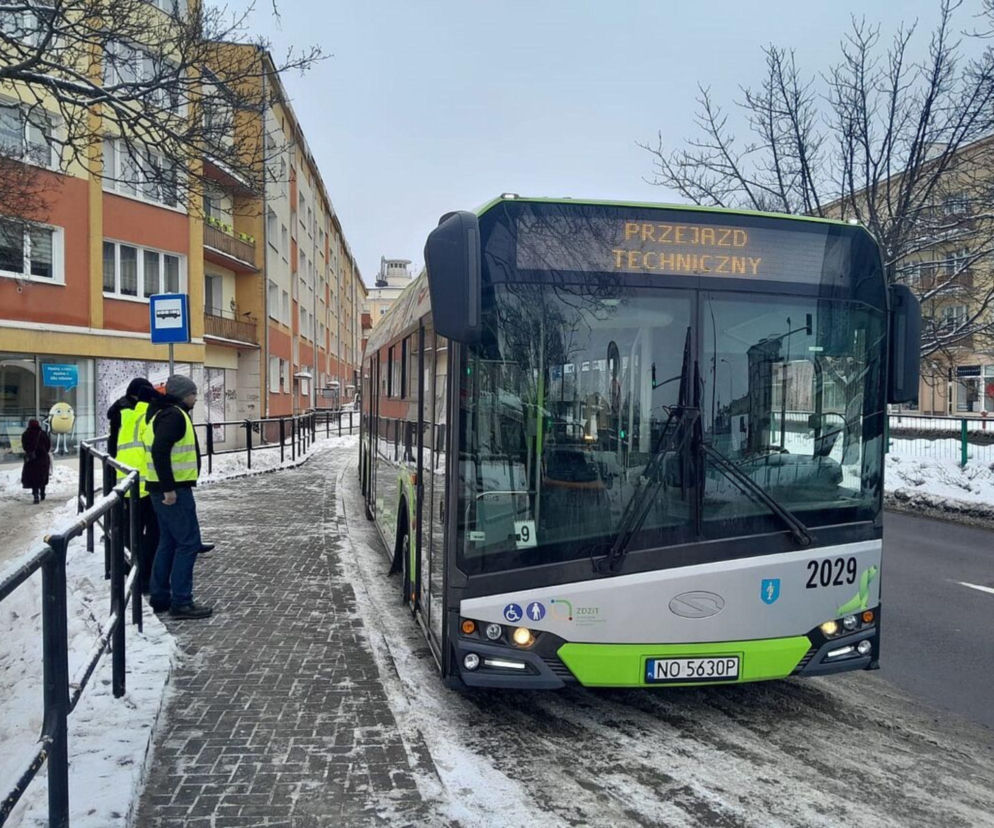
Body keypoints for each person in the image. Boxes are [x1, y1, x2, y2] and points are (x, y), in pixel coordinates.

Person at [143, 374, 213, 620]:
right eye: (194, 393)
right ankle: (182, 602)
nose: (195, 398)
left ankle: (160, 596)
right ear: (185, 394)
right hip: (174, 492)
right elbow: (160, 451)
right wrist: (169, 488)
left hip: (159, 489)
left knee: (169, 542)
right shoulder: (174, 415)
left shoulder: (160, 413)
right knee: (188, 543)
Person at [108, 378, 161, 594]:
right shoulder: (135, 413)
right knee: (149, 528)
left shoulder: (119, 411)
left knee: (131, 527)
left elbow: (114, 445)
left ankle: (128, 569)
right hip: (143, 479)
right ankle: (142, 574)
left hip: (126, 477)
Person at [21, 419, 51, 504]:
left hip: (31, 460)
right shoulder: (43, 434)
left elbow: (24, 447)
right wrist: (44, 451)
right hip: (43, 459)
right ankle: (42, 493)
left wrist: (30, 452)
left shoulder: (26, 434)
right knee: (42, 476)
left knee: (34, 478)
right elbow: (48, 445)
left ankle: (35, 495)